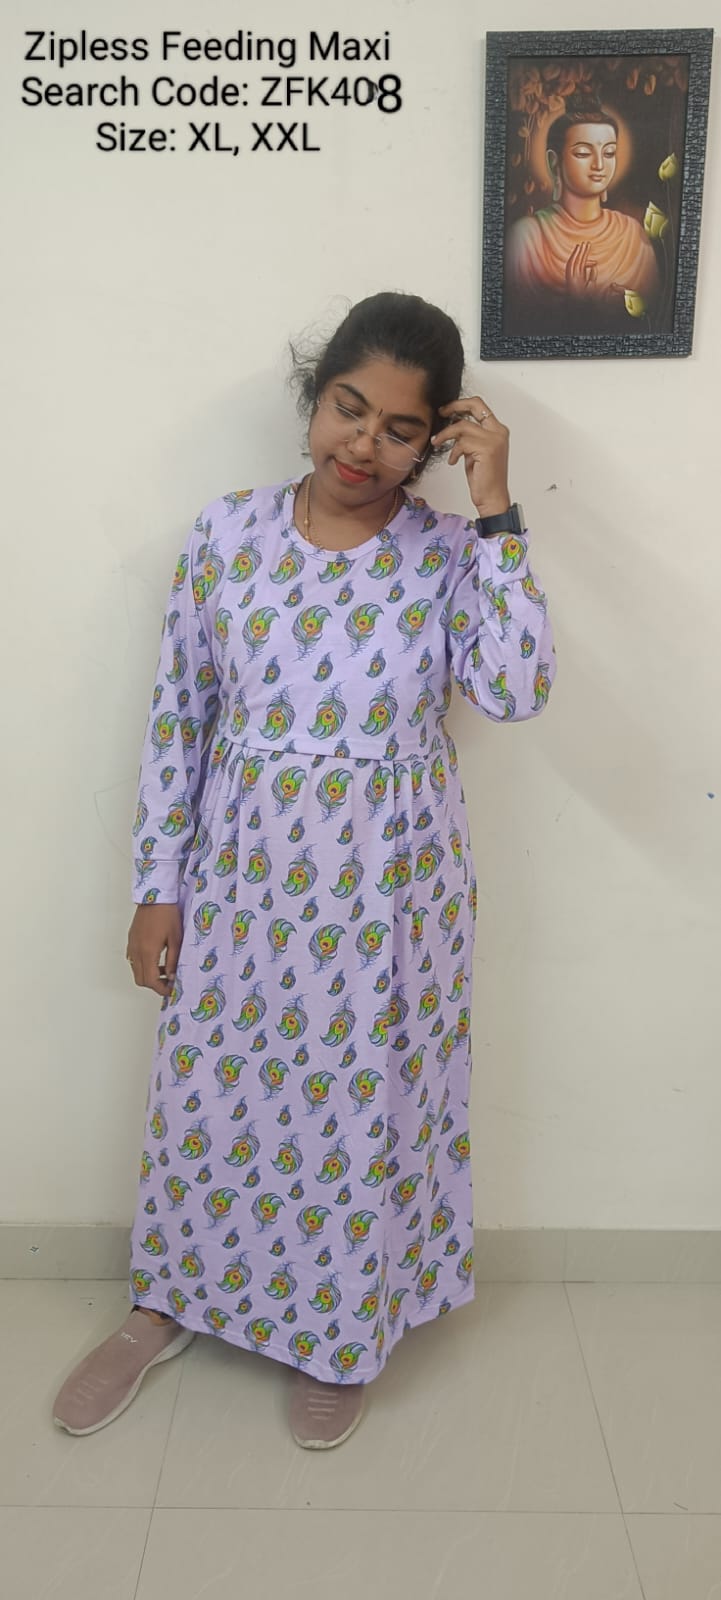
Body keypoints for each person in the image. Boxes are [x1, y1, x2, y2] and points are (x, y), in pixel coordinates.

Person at [52, 291, 556, 1449]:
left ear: (433, 440)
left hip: (392, 900)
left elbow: (515, 690)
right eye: (348, 407)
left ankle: (341, 1328)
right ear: (314, 394)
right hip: (240, 888)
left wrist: (496, 506)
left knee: (361, 1109)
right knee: (207, 1097)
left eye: (399, 428)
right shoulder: (226, 535)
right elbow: (179, 719)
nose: (363, 444)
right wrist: (156, 887)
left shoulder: (447, 555)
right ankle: (166, 1303)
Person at [505, 94, 660, 334]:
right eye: (583, 153)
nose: (599, 165)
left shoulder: (633, 236)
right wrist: (577, 302)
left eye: (609, 153)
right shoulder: (527, 238)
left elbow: (651, 321)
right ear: (554, 162)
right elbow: (520, 325)